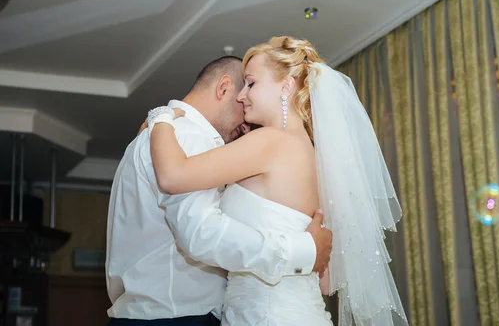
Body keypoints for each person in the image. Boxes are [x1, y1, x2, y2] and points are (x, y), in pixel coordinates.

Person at [147, 37, 408, 325]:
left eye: (251, 83)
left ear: (286, 86)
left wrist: (161, 117)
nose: (241, 95)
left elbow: (173, 176)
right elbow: (325, 281)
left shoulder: (270, 142)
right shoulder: (313, 155)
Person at [105, 55, 333, 326]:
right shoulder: (187, 136)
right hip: (175, 316)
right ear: (224, 89)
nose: (246, 116)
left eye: (252, 86)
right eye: (243, 91)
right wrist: (302, 251)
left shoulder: (166, 135)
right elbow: (201, 233)